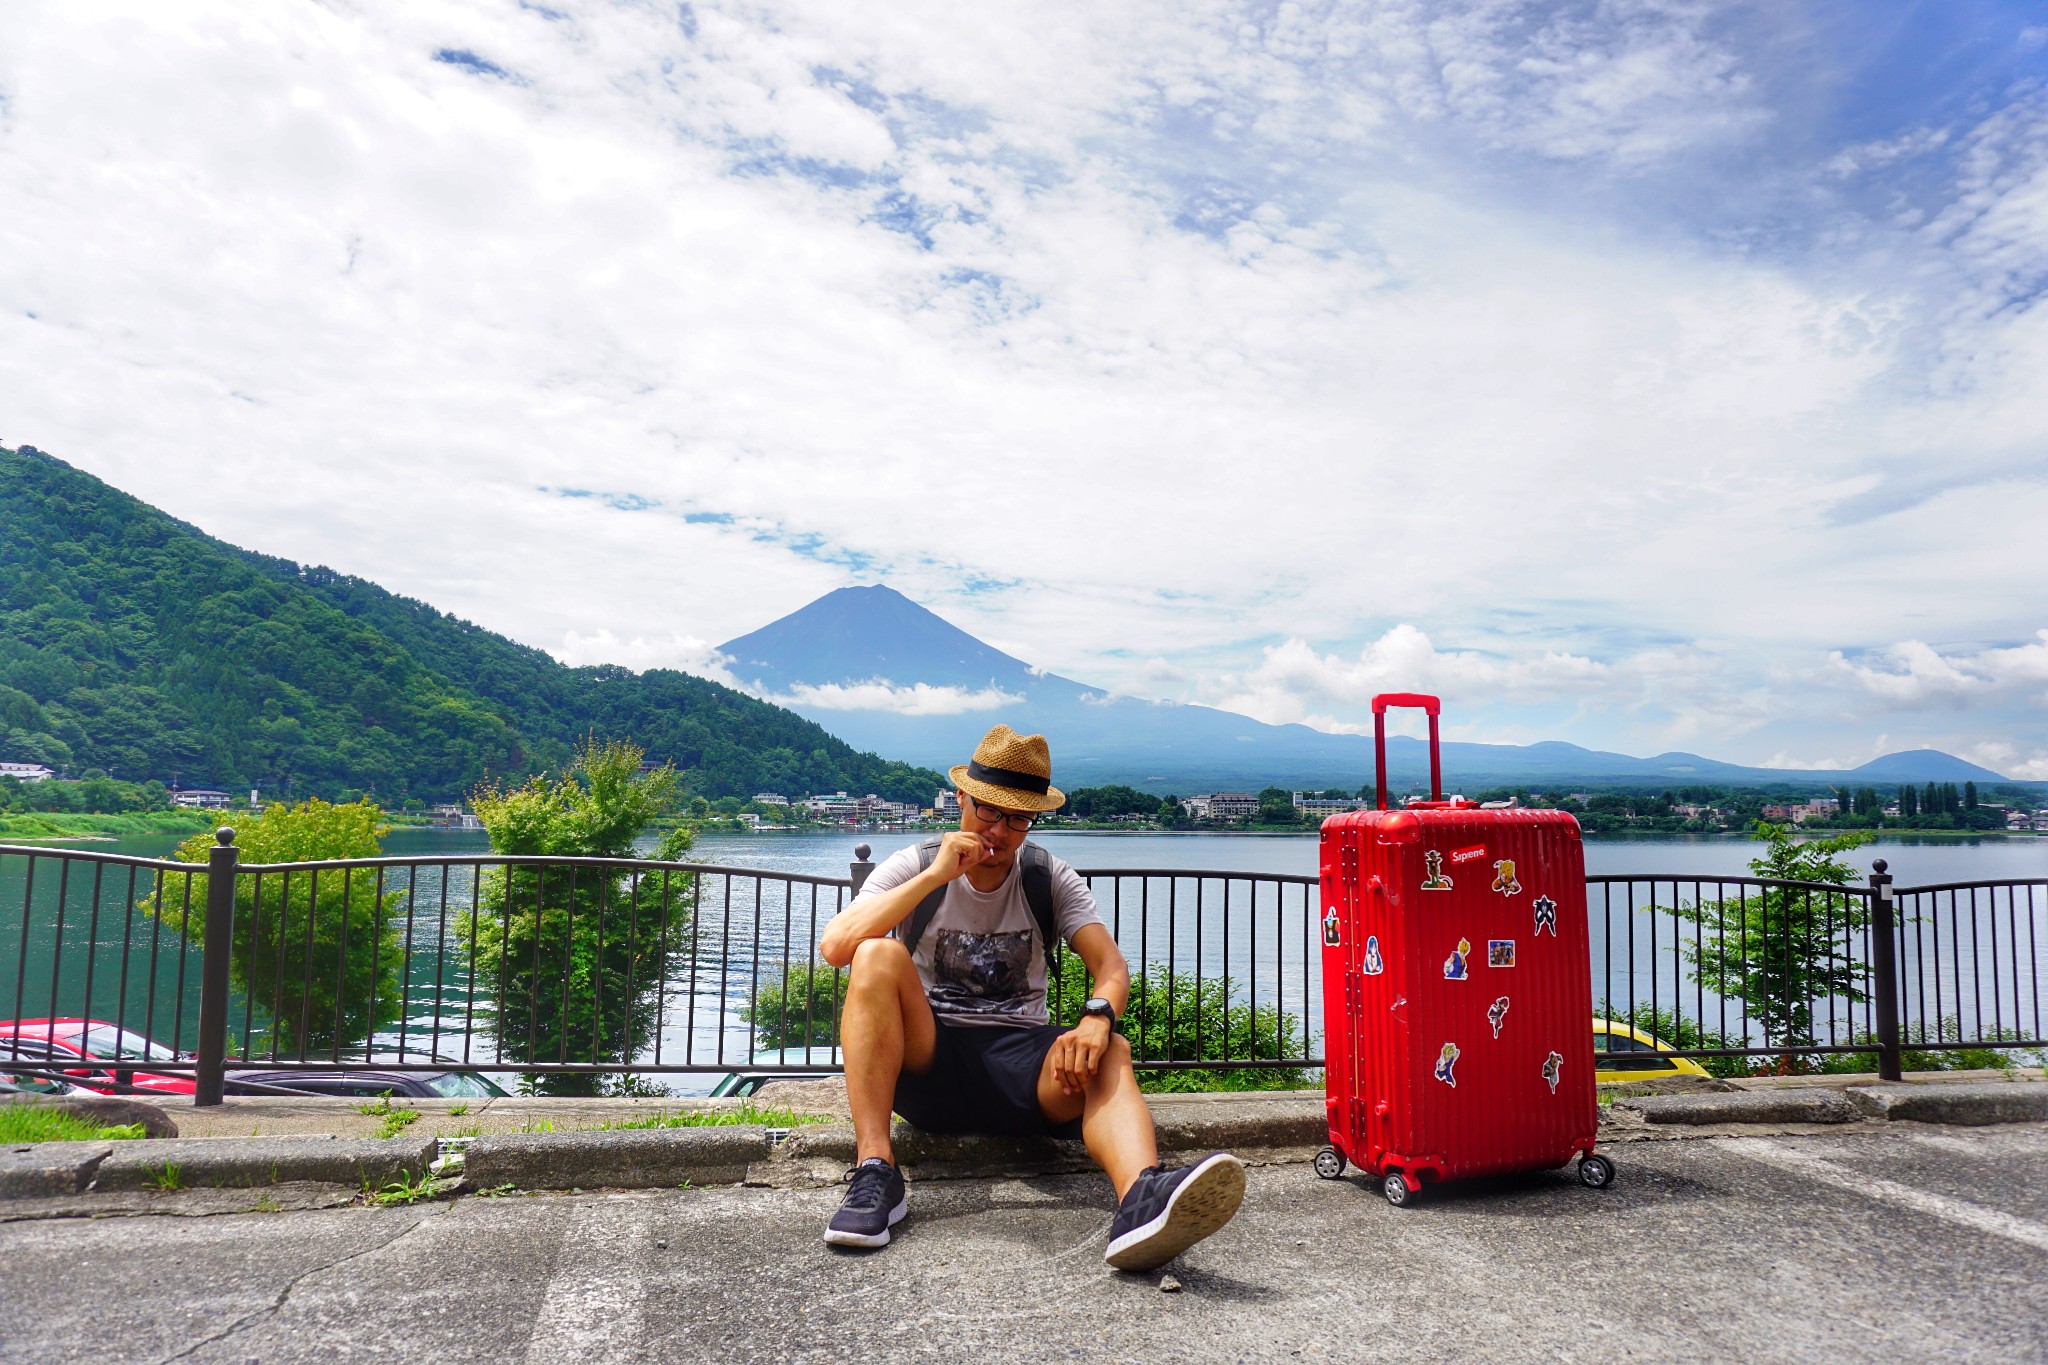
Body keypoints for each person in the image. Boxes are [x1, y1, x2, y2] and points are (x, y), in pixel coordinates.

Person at [817, 723, 1245, 1270]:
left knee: (1112, 1046)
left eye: (1018, 818)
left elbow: (1110, 966)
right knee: (878, 955)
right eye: (988, 812)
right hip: (929, 1061)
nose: (999, 831)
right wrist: (938, 876)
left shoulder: (1048, 877)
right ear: (962, 799)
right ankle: (876, 1170)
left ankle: (1141, 1201)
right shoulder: (916, 865)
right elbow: (837, 947)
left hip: (1025, 1068)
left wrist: (1096, 1018)